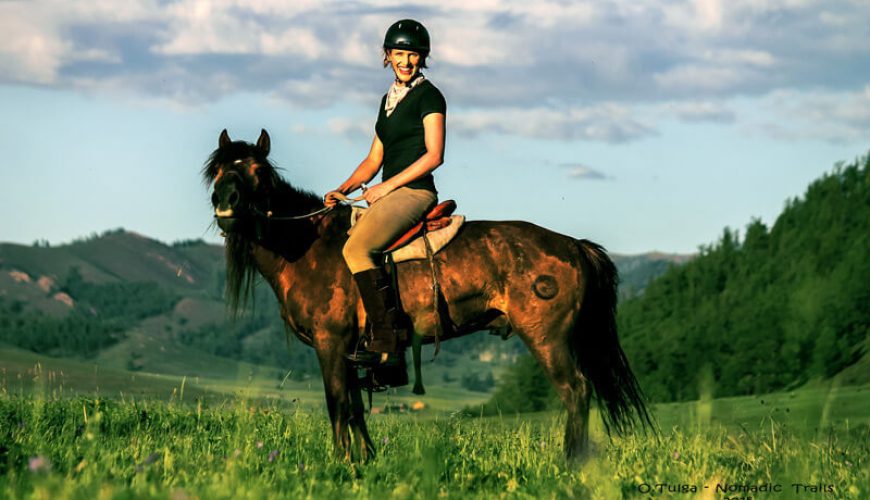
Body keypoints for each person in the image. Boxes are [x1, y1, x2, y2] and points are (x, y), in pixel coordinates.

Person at [324, 19, 446, 367]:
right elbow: (374, 157)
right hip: (389, 193)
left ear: (422, 58)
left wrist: (387, 187)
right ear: (387, 56)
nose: (406, 62)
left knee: (358, 248)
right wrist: (342, 189)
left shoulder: (430, 96)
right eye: (399, 54)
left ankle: (389, 343)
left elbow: (435, 155)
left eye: (412, 55)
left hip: (414, 194)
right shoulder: (387, 101)